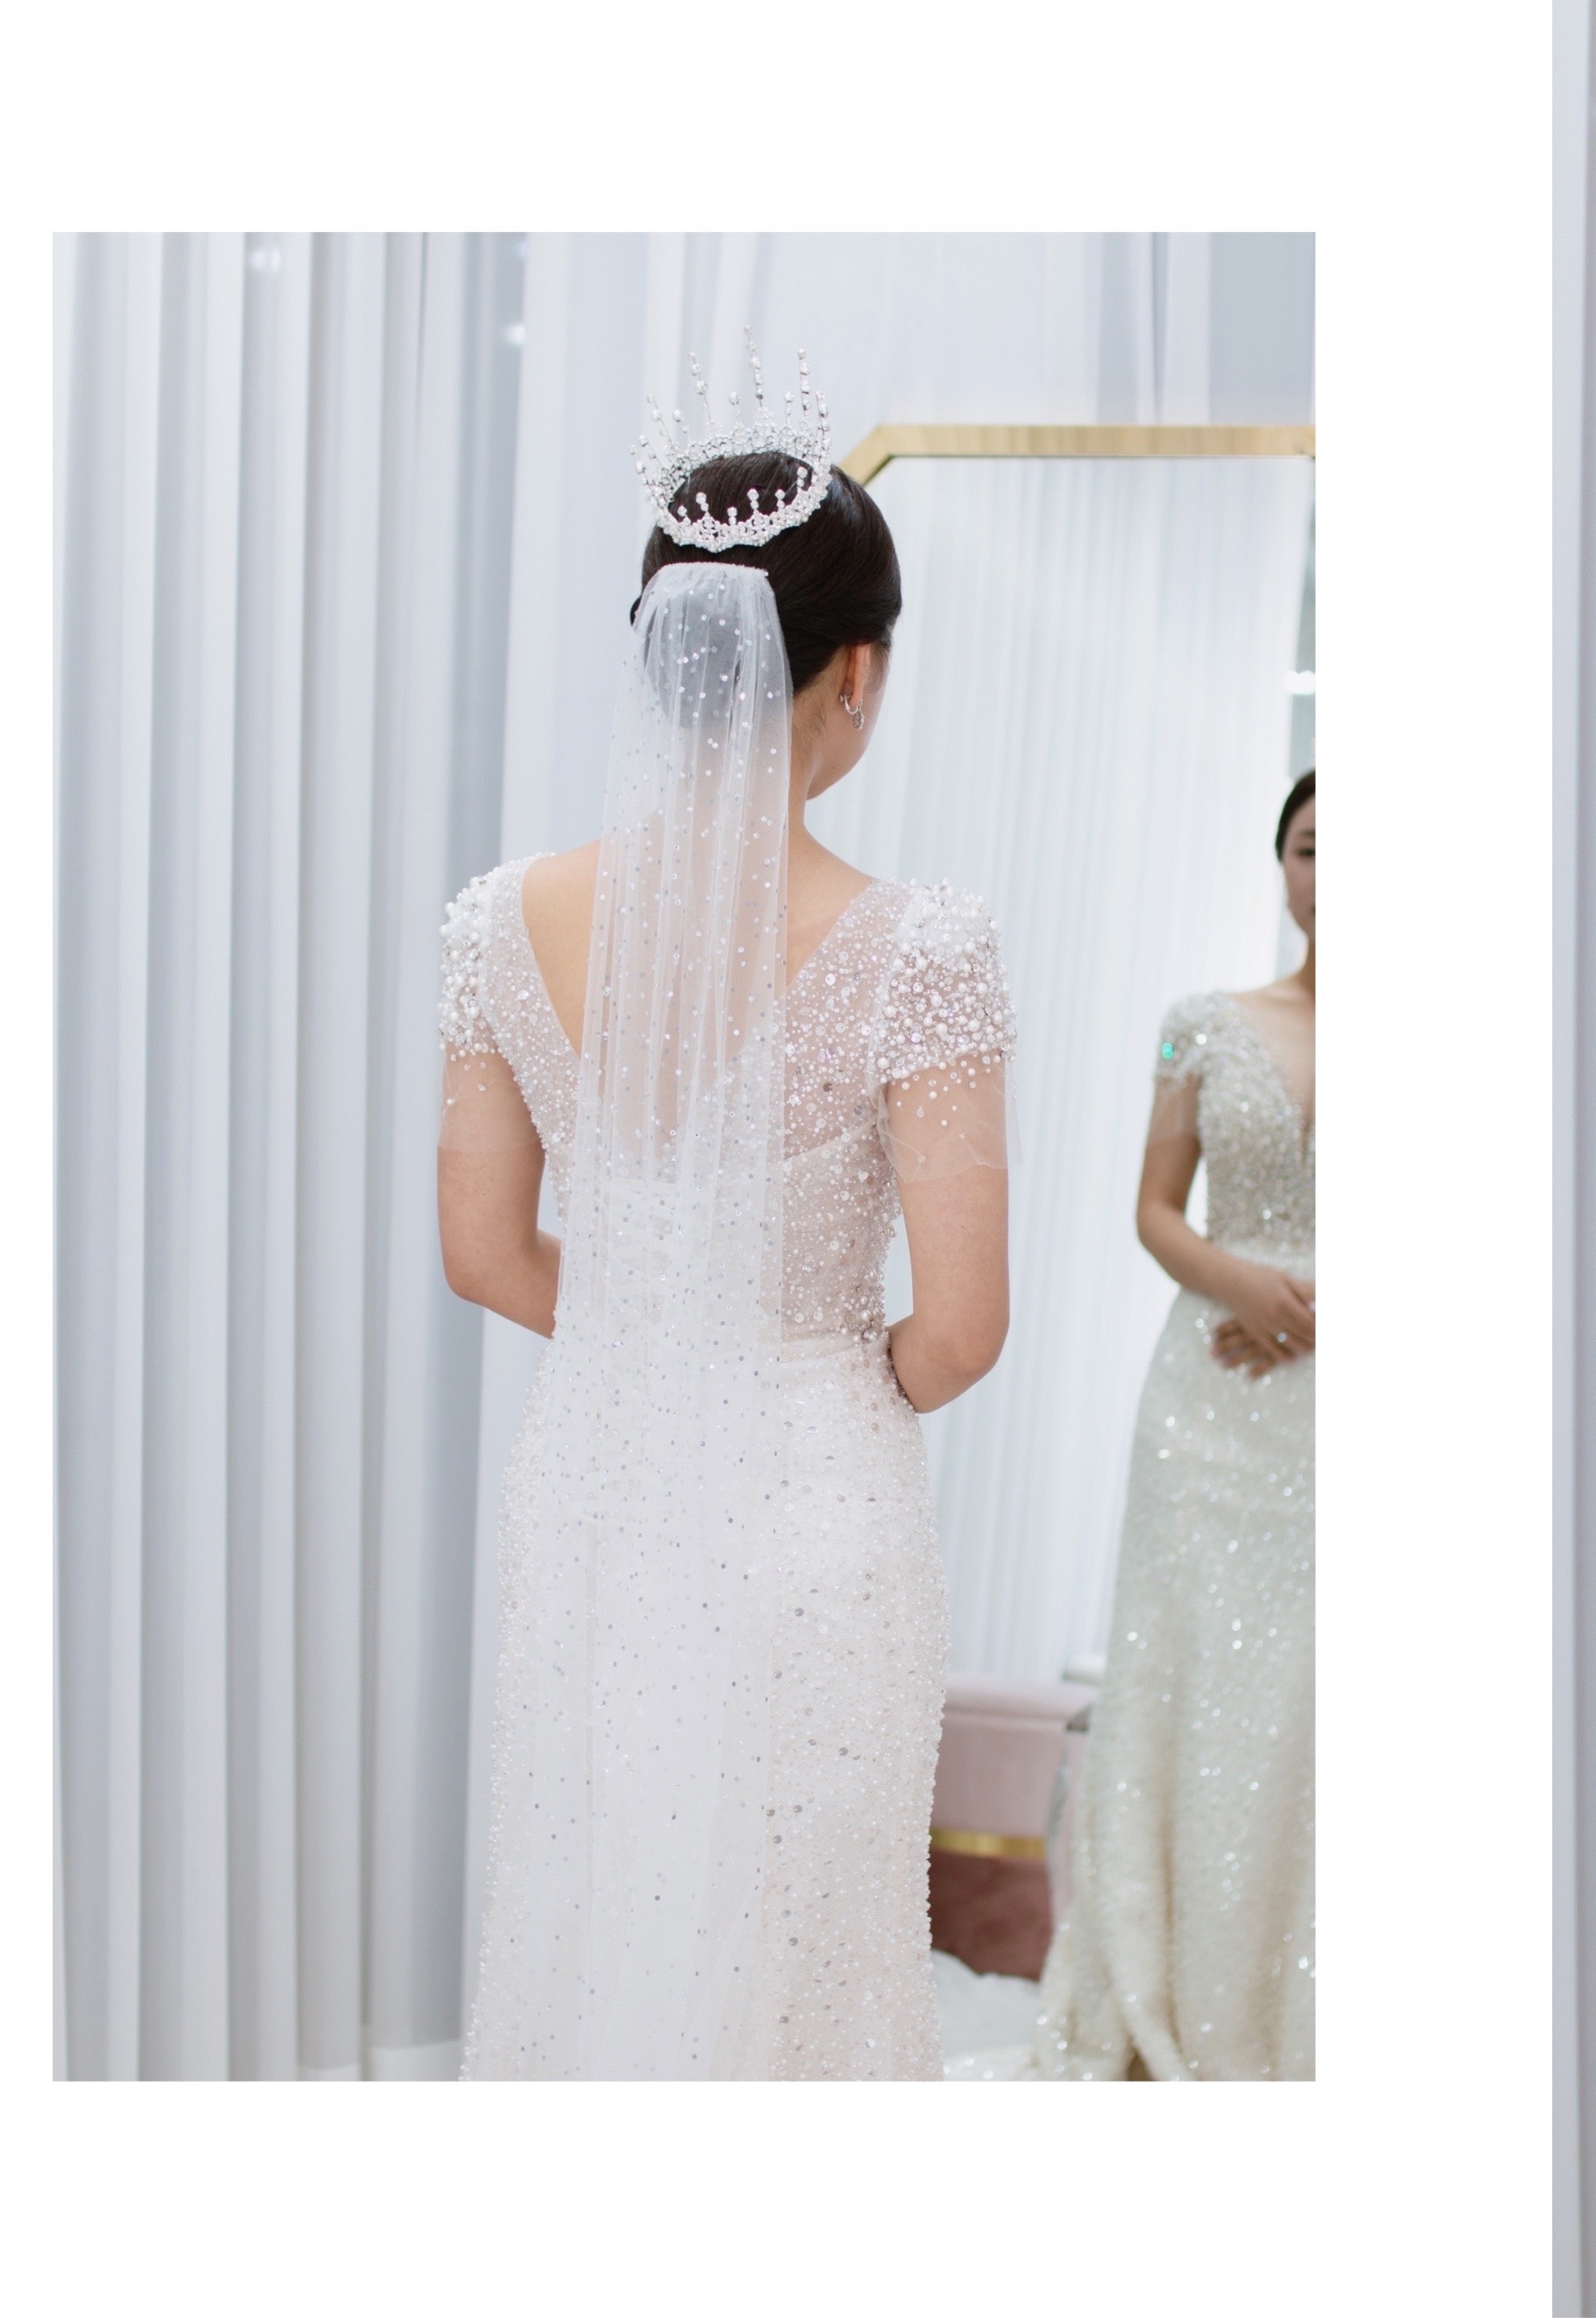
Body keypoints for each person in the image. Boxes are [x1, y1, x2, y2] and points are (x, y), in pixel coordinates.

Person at [437, 364, 1013, 2078]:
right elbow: (961, 1330)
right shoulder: (919, 947)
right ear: (858, 670)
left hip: (600, 1479)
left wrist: (660, 1333)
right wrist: (814, 1369)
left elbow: (485, 1252)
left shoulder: (498, 921)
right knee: (800, 1952)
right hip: (814, 1495)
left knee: (600, 1913)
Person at [1034, 773, 1317, 2079]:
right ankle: (1153, 1996)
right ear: (1280, 866)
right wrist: (1240, 1285)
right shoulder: (1195, 1027)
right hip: (1209, 1396)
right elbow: (1155, 1207)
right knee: (1185, 1672)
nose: (1332, 873)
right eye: (1310, 847)